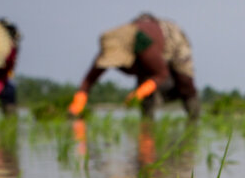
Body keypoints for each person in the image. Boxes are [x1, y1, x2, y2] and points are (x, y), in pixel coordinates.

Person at [68, 13, 200, 120]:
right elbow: (89, 80)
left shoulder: (143, 45)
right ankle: (147, 131)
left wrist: (139, 93)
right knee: (147, 96)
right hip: (144, 56)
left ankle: (194, 119)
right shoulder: (108, 46)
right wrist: (77, 105)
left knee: (185, 82)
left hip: (171, 40)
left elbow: (162, 73)